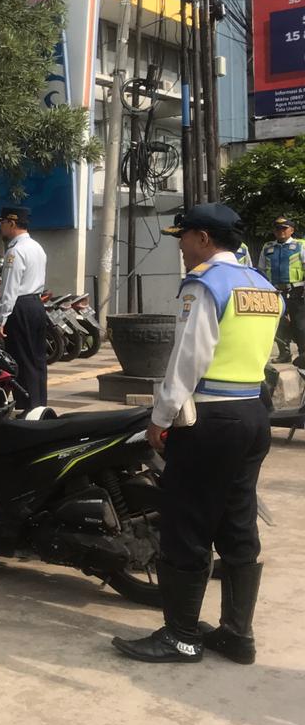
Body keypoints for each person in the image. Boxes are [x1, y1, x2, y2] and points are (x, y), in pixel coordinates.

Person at [112, 203, 278, 665]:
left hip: (209, 420)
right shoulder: (263, 287)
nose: (181, 248)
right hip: (251, 414)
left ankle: (181, 637)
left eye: (183, 238)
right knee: (236, 520)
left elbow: (187, 360)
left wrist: (160, 418)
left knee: (186, 525)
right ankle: (236, 635)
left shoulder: (204, 285)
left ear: (204, 238)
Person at [0, 206, 48, 411]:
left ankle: (27, 409)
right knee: (38, 361)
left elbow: (9, 289)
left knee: (22, 362)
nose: (1, 227)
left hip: (20, 307)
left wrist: (1, 320)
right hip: (36, 305)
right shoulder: (37, 247)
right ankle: (40, 407)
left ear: (12, 223)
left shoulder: (14, 252)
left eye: (2, 223)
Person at [257, 215, 305, 366]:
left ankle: (303, 354)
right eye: (277, 229)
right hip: (275, 292)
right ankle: (284, 353)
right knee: (279, 324)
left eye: (284, 229)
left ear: (292, 230)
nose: (281, 231)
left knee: (300, 324)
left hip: (297, 290)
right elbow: (261, 270)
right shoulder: (268, 247)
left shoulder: (300, 245)